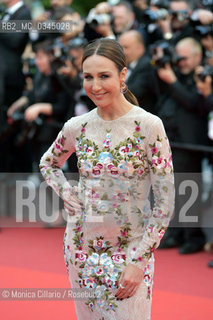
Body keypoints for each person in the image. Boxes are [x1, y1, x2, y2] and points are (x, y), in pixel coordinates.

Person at [40, 38, 174, 319]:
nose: (95, 86)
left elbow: (165, 203)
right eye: (88, 77)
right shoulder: (78, 126)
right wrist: (68, 194)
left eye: (104, 76)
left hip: (131, 251)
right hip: (80, 248)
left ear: (123, 75)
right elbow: (49, 163)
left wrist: (139, 262)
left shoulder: (149, 126)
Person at [155, 37, 207, 253]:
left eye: (184, 58)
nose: (181, 62)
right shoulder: (174, 76)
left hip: (190, 143)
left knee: (189, 190)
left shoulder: (201, 77)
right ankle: (175, 233)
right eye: (178, 58)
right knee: (170, 191)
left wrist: (172, 81)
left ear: (197, 56)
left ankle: (193, 238)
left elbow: (194, 103)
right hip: (171, 141)